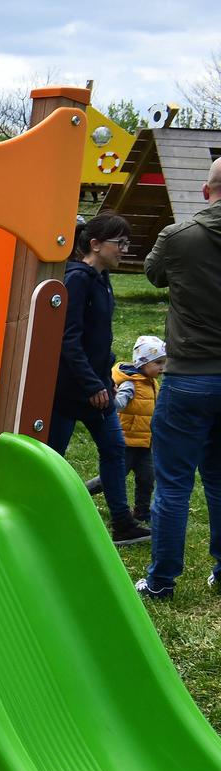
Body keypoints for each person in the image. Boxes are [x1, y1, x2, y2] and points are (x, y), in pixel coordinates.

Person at [138, 158, 221, 600]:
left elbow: (153, 275)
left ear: (206, 192)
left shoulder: (179, 237)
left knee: (173, 483)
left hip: (189, 377)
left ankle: (162, 580)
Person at [47, 212, 148, 546]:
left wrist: (104, 380)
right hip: (70, 391)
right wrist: (91, 385)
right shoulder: (77, 278)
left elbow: (97, 338)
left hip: (97, 388)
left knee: (115, 449)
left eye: (126, 243)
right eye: (119, 243)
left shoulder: (101, 279)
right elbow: (68, 338)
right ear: (95, 244)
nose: (124, 249)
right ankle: (37, 517)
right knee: (51, 457)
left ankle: (122, 523)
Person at [87, 336, 165, 524]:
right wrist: (112, 399)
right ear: (143, 362)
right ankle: (83, 491)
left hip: (145, 443)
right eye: (158, 363)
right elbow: (118, 405)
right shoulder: (131, 383)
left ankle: (142, 512)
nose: (162, 367)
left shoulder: (151, 382)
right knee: (113, 478)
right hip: (128, 441)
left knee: (147, 479)